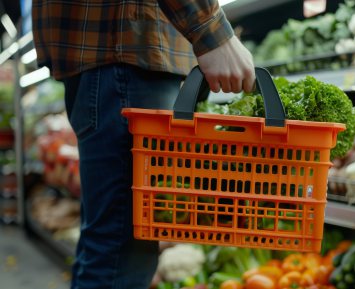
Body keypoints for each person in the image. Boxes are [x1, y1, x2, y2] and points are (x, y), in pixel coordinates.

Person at [31, 1, 255, 288]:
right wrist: (212, 32)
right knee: (122, 254)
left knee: (109, 244)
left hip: (115, 57)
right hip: (129, 50)